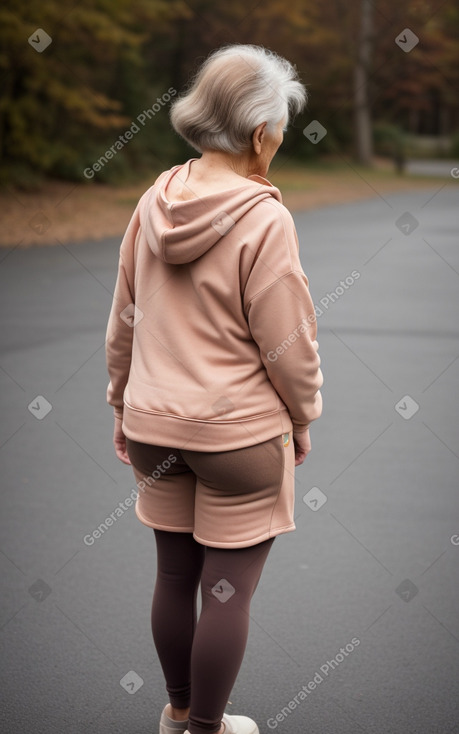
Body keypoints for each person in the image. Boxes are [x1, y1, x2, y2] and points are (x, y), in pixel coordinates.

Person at [105, 44, 323, 734]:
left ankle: (175, 714)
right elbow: (286, 344)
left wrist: (120, 403)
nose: (280, 142)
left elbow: (124, 320)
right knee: (225, 591)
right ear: (261, 133)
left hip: (152, 428)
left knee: (174, 578)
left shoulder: (152, 200)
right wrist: (303, 416)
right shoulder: (265, 218)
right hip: (236, 438)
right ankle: (206, 728)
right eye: (280, 129)